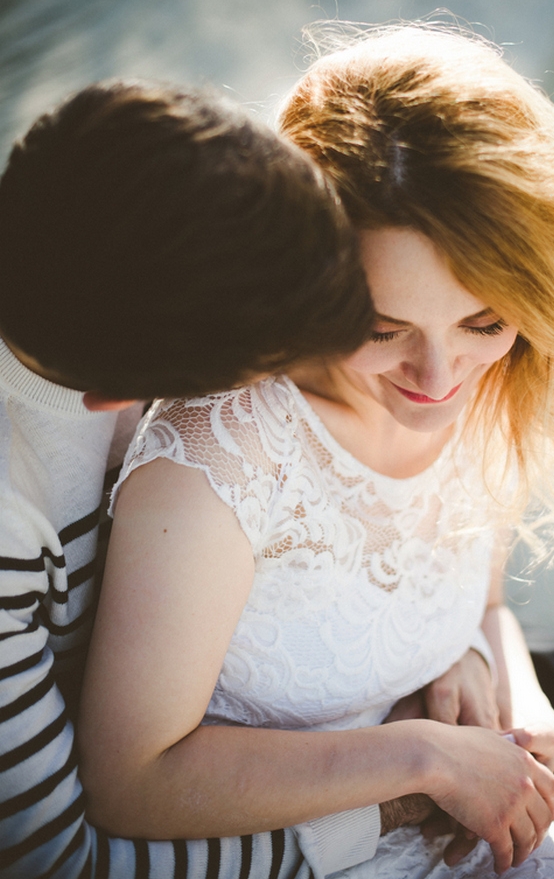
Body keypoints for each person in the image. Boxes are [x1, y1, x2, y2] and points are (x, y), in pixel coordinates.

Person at [77, 28, 554, 879]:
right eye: (382, 328)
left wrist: (501, 672)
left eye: (483, 320)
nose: (437, 378)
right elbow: (128, 781)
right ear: (304, 282)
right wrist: (425, 757)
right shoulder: (219, 460)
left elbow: (487, 599)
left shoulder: (491, 389)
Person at [0, 78, 382, 878]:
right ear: (114, 398)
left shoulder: (106, 222)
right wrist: (369, 818)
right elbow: (62, 862)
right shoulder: (11, 522)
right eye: (259, 378)